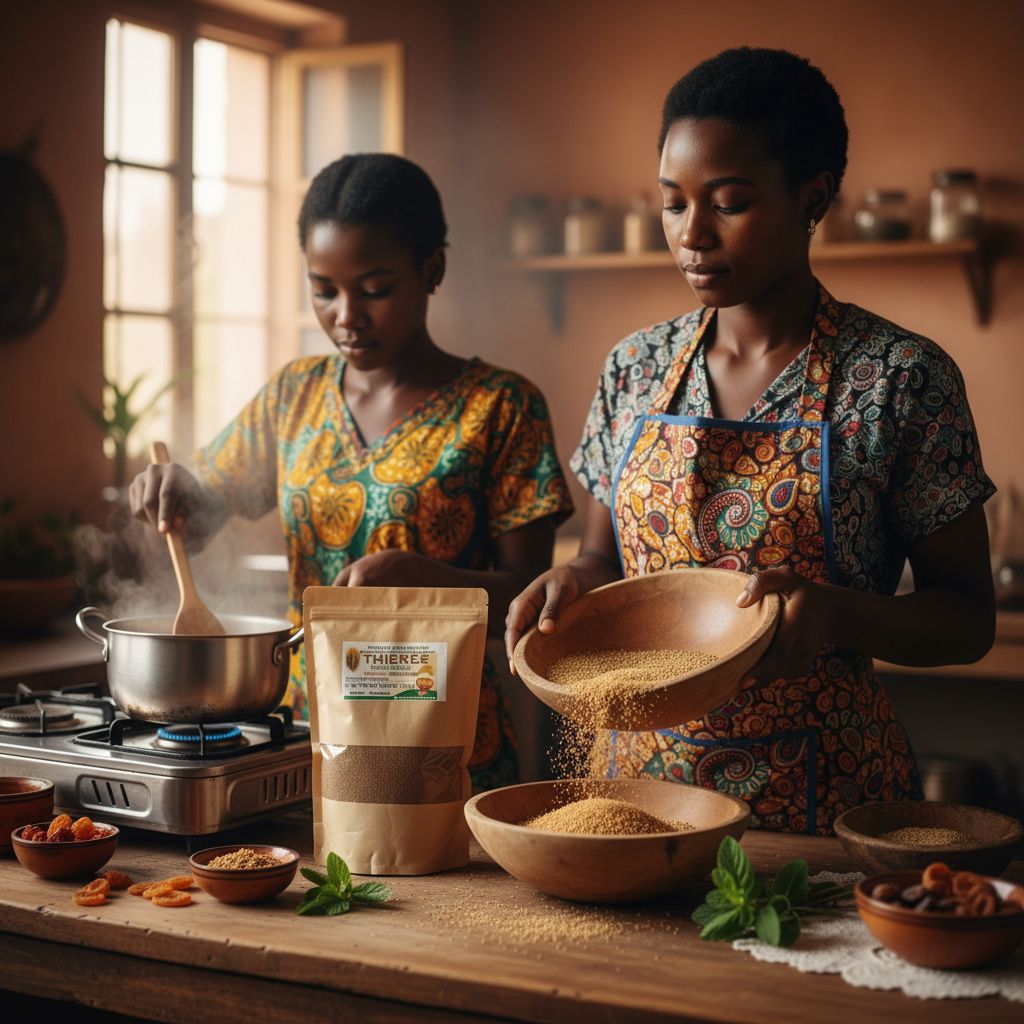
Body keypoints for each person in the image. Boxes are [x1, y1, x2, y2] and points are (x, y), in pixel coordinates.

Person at [504, 47, 996, 835]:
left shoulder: (900, 377)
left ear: (813, 197)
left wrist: (838, 614)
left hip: (825, 806)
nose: (692, 233)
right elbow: (601, 561)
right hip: (632, 802)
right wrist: (571, 587)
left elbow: (969, 621)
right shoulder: (636, 367)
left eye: (728, 201)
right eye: (672, 203)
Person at [131, 153, 574, 791]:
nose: (346, 315)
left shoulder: (501, 406)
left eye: (374, 289)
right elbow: (197, 519)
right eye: (324, 290)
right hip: (311, 736)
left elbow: (531, 599)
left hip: (446, 744)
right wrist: (171, 494)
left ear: (432, 270)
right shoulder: (293, 397)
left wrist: (424, 579)